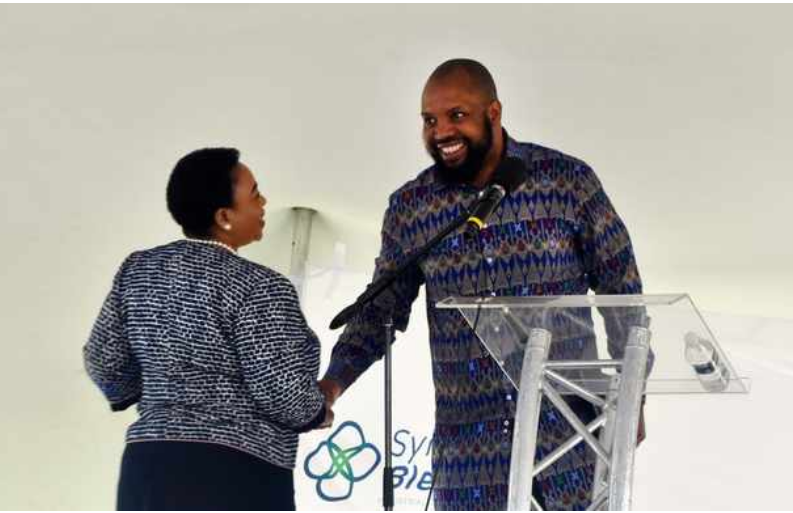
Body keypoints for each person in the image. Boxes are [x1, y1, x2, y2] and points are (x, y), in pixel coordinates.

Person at [318, 59, 646, 510]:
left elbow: (622, 289)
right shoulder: (412, 208)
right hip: (471, 463)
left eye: (457, 116)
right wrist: (332, 385)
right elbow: (380, 312)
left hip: (571, 445)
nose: (441, 132)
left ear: (493, 112)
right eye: (429, 120)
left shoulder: (565, 182)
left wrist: (632, 396)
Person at [84, 148, 332, 511]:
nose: (264, 202)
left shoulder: (138, 270)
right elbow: (282, 393)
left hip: (148, 468)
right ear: (224, 216)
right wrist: (317, 411)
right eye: (255, 194)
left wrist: (153, 394)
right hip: (237, 474)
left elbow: (102, 360)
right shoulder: (260, 287)